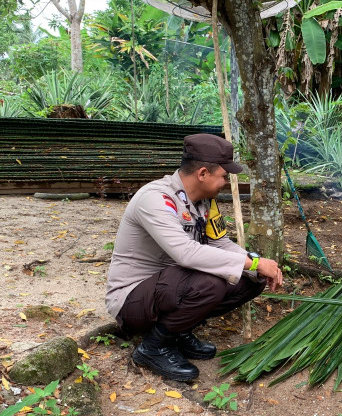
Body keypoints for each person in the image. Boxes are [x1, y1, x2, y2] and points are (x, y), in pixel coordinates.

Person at [105, 134, 283, 381]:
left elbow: (220, 242)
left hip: (171, 288)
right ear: (203, 174)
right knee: (211, 283)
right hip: (132, 300)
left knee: (251, 279)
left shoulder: (204, 202)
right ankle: (153, 347)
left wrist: (258, 264)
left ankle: (177, 331)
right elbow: (186, 253)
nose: (226, 182)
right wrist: (253, 262)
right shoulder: (156, 199)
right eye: (224, 176)